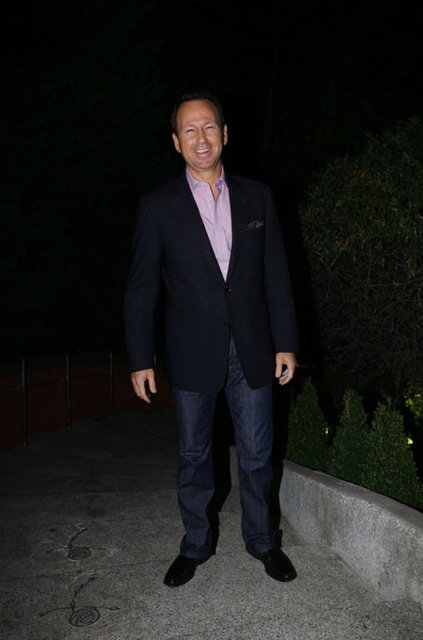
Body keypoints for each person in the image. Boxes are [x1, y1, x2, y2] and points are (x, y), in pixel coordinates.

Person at [124, 92, 298, 588]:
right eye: (189, 130)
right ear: (176, 142)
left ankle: (262, 541)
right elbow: (141, 289)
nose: (201, 138)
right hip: (191, 350)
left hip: (253, 348)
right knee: (194, 455)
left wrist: (286, 341)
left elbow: (276, 275)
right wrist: (140, 358)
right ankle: (196, 544)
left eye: (208, 128)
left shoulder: (257, 198)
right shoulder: (157, 207)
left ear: (224, 134)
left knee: (258, 453)